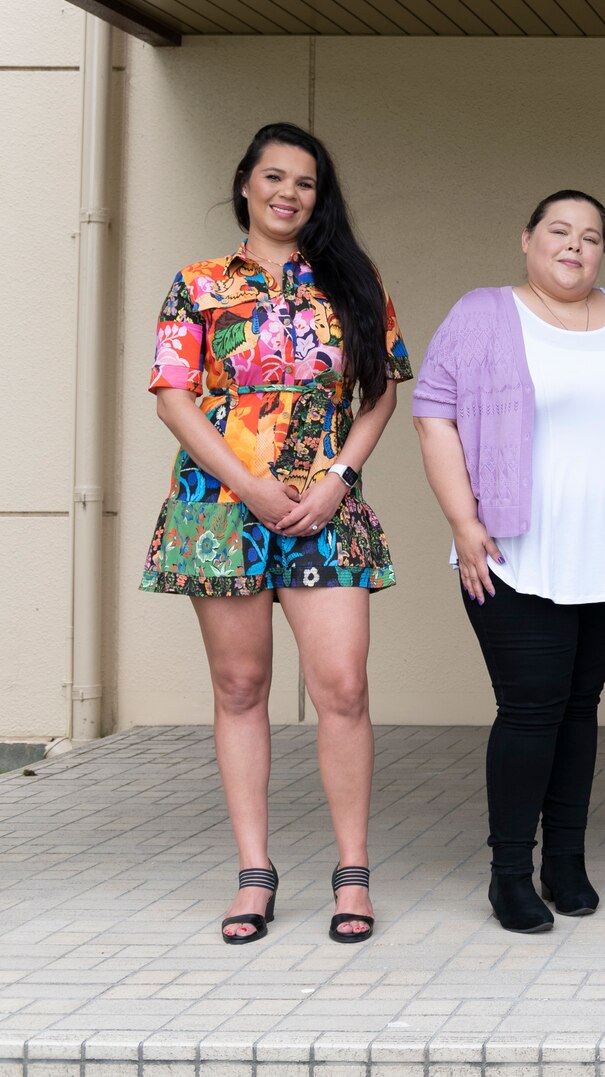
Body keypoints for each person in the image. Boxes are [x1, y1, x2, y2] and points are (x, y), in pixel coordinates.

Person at [143, 122, 409, 945]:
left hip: (325, 511)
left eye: (306, 182)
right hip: (222, 509)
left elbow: (380, 394)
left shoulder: (354, 282)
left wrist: (337, 480)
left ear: (318, 199)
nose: (289, 192)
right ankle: (254, 872)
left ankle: (353, 872)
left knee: (344, 687)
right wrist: (250, 484)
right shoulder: (197, 285)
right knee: (240, 688)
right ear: (247, 184)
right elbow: (172, 395)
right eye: (275, 177)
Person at [412, 190, 605, 934]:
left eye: (591, 235)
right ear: (527, 240)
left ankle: (566, 861)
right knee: (530, 707)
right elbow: (432, 412)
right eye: (559, 232)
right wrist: (463, 521)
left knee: (580, 705)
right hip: (511, 547)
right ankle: (509, 874)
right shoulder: (482, 313)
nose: (575, 246)